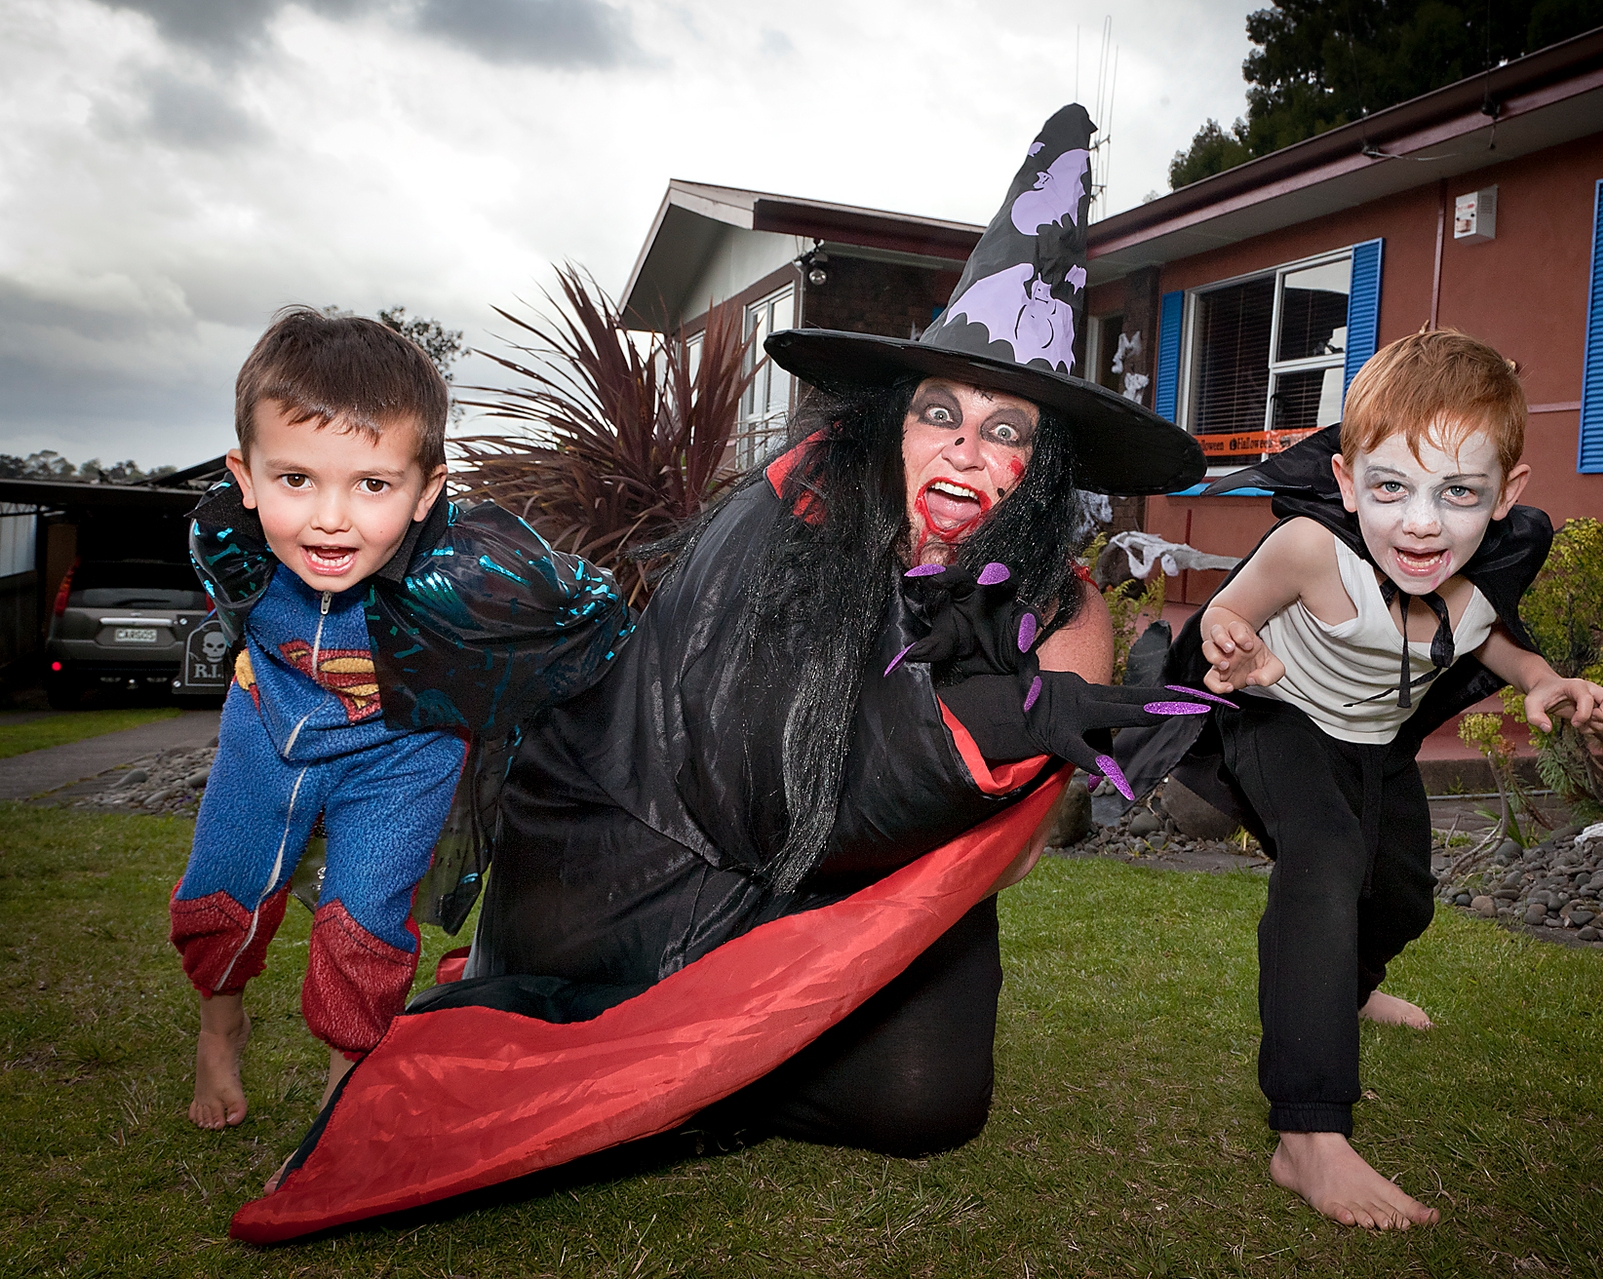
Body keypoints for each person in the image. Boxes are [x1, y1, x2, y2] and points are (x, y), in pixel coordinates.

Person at [228, 104, 1209, 1243]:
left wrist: (1039, 688)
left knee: (931, 1102)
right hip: (636, 864)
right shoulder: (795, 513)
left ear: (1040, 475)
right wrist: (975, 726)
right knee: (640, 1022)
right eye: (941, 413)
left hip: (831, 876)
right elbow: (764, 782)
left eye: (1009, 432)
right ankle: (661, 1062)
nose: (965, 452)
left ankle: (715, 1068)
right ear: (889, 426)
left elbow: (1011, 857)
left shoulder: (1047, 600)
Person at [1166, 329, 1603, 1230]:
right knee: (1325, 858)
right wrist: (1236, 647)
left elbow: (1491, 639)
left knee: (1404, 892)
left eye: (1458, 492)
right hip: (1276, 714)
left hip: (1376, 742)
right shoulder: (1308, 548)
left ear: (1505, 497)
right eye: (1391, 488)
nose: (1421, 523)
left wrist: (1546, 682)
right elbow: (1226, 608)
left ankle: (1351, 982)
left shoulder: (1481, 575)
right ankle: (1306, 1133)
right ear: (1346, 483)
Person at [172, 309, 631, 1136]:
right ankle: (220, 1022)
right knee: (223, 892)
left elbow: (596, 613)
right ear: (245, 477)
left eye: (373, 484)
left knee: (364, 921)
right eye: (296, 479)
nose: (330, 518)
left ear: (427, 491)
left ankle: (347, 1092)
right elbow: (231, 595)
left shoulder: (476, 571)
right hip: (265, 733)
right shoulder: (222, 531)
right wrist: (252, 659)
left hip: (402, 754)